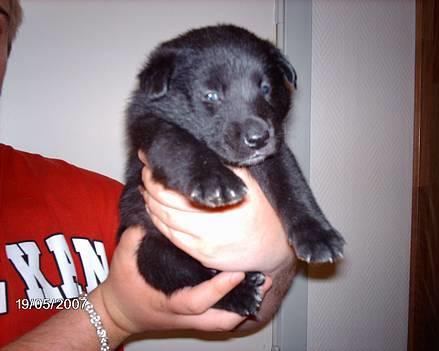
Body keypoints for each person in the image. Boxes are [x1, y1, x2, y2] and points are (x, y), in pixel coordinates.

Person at [0, 1, 296, 350]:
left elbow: (246, 314)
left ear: (7, 48)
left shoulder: (100, 197)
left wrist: (278, 257)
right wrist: (112, 313)